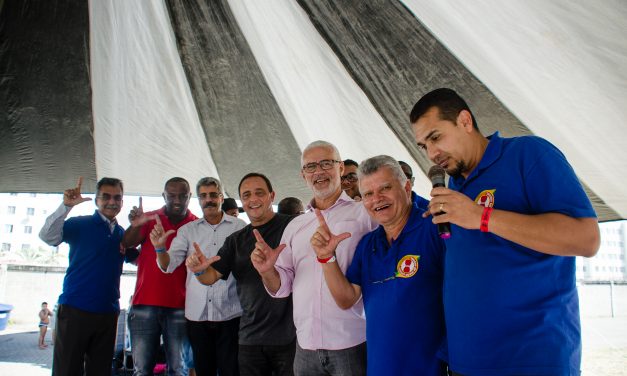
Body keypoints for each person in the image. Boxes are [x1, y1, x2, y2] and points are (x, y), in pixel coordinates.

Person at [410, 88, 600, 376]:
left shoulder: (528, 154)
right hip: (465, 363)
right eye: (424, 146)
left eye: (435, 137)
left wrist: (481, 216)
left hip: (531, 360)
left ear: (464, 120)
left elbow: (586, 239)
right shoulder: (454, 187)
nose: (432, 154)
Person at [311, 155, 447, 375]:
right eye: (368, 194)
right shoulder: (368, 244)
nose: (377, 199)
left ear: (406, 186)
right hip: (380, 367)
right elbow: (346, 299)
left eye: (385, 188)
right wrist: (327, 258)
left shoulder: (435, 228)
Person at [251, 141, 376, 376]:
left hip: (351, 341)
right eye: (310, 167)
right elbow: (282, 287)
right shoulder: (296, 225)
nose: (318, 171)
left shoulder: (364, 213)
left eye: (326, 163)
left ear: (340, 168)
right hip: (305, 346)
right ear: (303, 175)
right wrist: (267, 270)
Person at [186, 172, 297, 376]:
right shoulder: (235, 240)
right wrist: (200, 269)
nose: (253, 199)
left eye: (259, 193)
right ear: (241, 201)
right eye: (246, 195)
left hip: (290, 337)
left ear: (272, 196)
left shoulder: (292, 226)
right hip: (250, 338)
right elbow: (211, 277)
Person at [151, 177, 246, 376]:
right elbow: (169, 265)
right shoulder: (188, 230)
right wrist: (160, 248)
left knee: (232, 370)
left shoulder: (239, 227)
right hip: (197, 315)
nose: (208, 200)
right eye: (203, 196)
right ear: (198, 199)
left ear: (221, 197)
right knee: (204, 370)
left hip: (230, 313)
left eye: (213, 195)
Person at [40, 177, 126, 376]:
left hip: (108, 313)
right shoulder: (80, 224)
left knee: (100, 371)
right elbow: (48, 237)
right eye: (106, 196)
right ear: (96, 199)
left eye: (117, 198)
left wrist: (142, 230)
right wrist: (66, 206)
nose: (112, 202)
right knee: (67, 371)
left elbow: (139, 260)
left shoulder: (122, 234)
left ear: (122, 202)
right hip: (74, 310)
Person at [122, 177, 197, 376]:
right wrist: (137, 224)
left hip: (181, 307)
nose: (177, 200)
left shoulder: (196, 224)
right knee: (142, 370)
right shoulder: (148, 218)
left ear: (190, 196)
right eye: (172, 195)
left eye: (183, 195)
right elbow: (127, 242)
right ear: (164, 196)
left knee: (178, 369)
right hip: (145, 303)